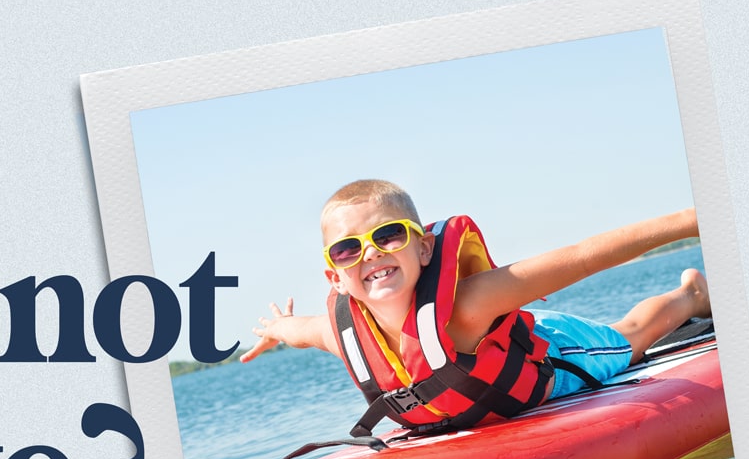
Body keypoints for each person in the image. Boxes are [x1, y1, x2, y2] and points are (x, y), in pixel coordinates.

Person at [239, 179, 710, 435]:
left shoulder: (468, 305)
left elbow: (584, 257)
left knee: (628, 337)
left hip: (553, 352)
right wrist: (276, 326)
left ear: (424, 248)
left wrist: (688, 221)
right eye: (347, 250)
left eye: (388, 236)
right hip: (482, 365)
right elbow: (299, 330)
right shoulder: (344, 336)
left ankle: (691, 293)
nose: (371, 254)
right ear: (335, 278)